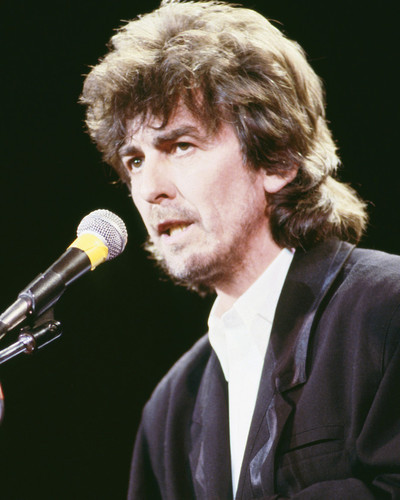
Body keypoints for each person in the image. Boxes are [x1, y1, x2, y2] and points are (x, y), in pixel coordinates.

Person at [80, 1, 400, 498]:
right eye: (135, 160)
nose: (149, 189)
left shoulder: (388, 314)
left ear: (277, 159)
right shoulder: (168, 414)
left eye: (180, 146)